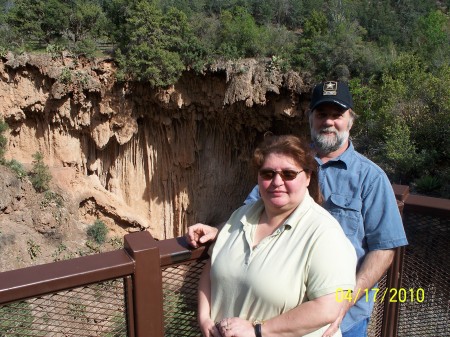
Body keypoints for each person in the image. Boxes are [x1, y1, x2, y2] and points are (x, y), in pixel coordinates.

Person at [188, 81, 408, 337]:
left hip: (342, 317)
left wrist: (343, 302)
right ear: (310, 118)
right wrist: (218, 231)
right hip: (273, 312)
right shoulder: (285, 164)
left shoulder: (370, 178)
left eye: (337, 115)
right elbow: (250, 214)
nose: (328, 122)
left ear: (350, 120)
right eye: (321, 114)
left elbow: (383, 248)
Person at [198, 134, 357, 337]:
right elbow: (212, 268)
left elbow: (328, 307)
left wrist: (258, 330)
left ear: (307, 177)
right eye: (268, 174)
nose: (277, 181)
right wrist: (204, 318)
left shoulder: (323, 233)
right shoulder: (240, 216)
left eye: (288, 174)